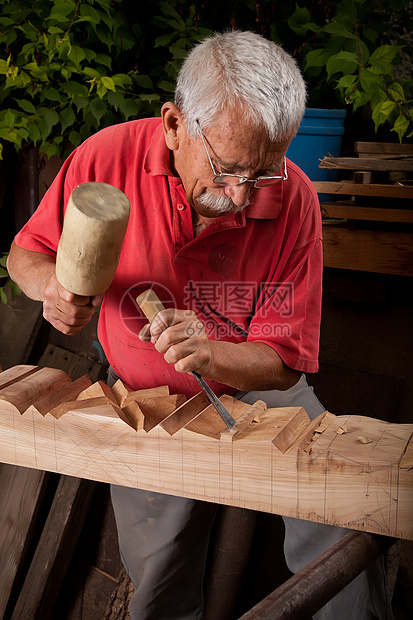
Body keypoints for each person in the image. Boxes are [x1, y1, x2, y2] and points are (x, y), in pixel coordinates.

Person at [7, 31, 392, 620]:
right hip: (146, 396)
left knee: (337, 528)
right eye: (226, 168)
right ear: (173, 125)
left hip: (260, 391)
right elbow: (26, 252)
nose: (240, 195)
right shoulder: (107, 157)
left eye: (261, 173)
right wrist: (51, 289)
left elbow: (285, 360)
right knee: (160, 582)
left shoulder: (295, 200)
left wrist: (212, 352)